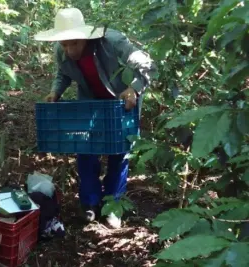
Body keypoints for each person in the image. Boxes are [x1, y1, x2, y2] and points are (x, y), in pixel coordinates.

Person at [34, 8, 157, 228]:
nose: (69, 50)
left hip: (121, 102)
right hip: (91, 103)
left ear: (84, 37)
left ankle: (112, 207)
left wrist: (134, 88)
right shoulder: (61, 49)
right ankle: (89, 203)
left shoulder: (112, 41)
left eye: (74, 44)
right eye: (64, 45)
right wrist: (56, 92)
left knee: (119, 153)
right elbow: (63, 73)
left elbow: (147, 65)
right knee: (86, 149)